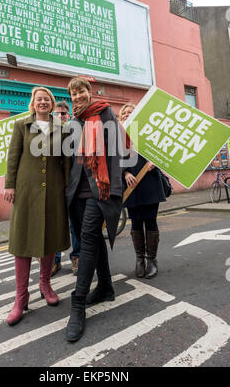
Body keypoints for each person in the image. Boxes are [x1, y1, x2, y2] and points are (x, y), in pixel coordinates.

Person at [4, 87, 70, 326]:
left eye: (47, 99)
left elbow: (66, 161)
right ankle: (21, 298)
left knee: (49, 237)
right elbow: (13, 157)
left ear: (52, 104)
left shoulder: (61, 130)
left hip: (53, 189)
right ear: (33, 103)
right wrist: (10, 185)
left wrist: (67, 186)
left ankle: (45, 284)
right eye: (39, 99)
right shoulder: (21, 126)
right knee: (22, 241)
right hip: (26, 189)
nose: (43, 102)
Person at [65, 77, 124, 342]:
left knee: (88, 238)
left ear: (90, 92)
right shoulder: (73, 121)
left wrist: (113, 186)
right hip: (76, 191)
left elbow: (119, 149)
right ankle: (106, 287)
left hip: (99, 190)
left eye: (82, 91)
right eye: (74, 93)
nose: (78, 96)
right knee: (92, 239)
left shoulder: (105, 112)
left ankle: (78, 304)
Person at [119, 103, 166, 279]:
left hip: (150, 182)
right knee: (136, 221)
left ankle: (152, 260)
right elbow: (113, 158)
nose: (127, 115)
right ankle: (139, 260)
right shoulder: (118, 135)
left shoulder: (148, 131)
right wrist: (124, 172)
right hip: (131, 185)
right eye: (124, 113)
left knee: (150, 220)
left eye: (131, 112)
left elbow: (164, 151)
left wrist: (156, 161)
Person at [52, 100, 81, 277]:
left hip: (73, 187)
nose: (61, 116)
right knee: (55, 225)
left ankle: (76, 257)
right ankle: (54, 260)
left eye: (64, 113)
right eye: (57, 113)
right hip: (54, 188)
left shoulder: (74, 132)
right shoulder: (47, 134)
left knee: (74, 224)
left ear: (69, 115)